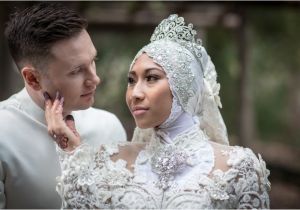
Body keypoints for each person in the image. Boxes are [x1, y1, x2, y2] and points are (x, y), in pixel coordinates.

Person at [45, 14, 271, 209]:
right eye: (131, 81)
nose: (135, 93)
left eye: (151, 78)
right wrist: (72, 152)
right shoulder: (109, 159)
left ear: (184, 87)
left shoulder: (241, 167)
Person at [0, 3, 126, 209]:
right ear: (32, 78)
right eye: (76, 71)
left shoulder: (109, 126)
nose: (95, 79)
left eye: (94, 60)